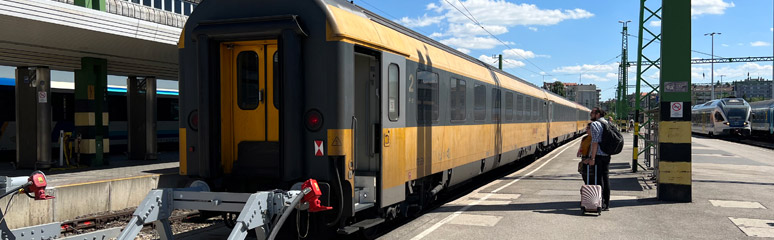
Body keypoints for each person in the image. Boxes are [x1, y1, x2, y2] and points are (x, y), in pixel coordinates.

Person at [583, 107, 611, 211]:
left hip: (598, 155)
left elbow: (594, 143)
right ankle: (606, 203)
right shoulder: (607, 123)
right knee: (606, 178)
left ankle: (599, 202)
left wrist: (592, 158)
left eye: (592, 113)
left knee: (598, 179)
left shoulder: (595, 124)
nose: (591, 115)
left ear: (598, 114)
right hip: (607, 155)